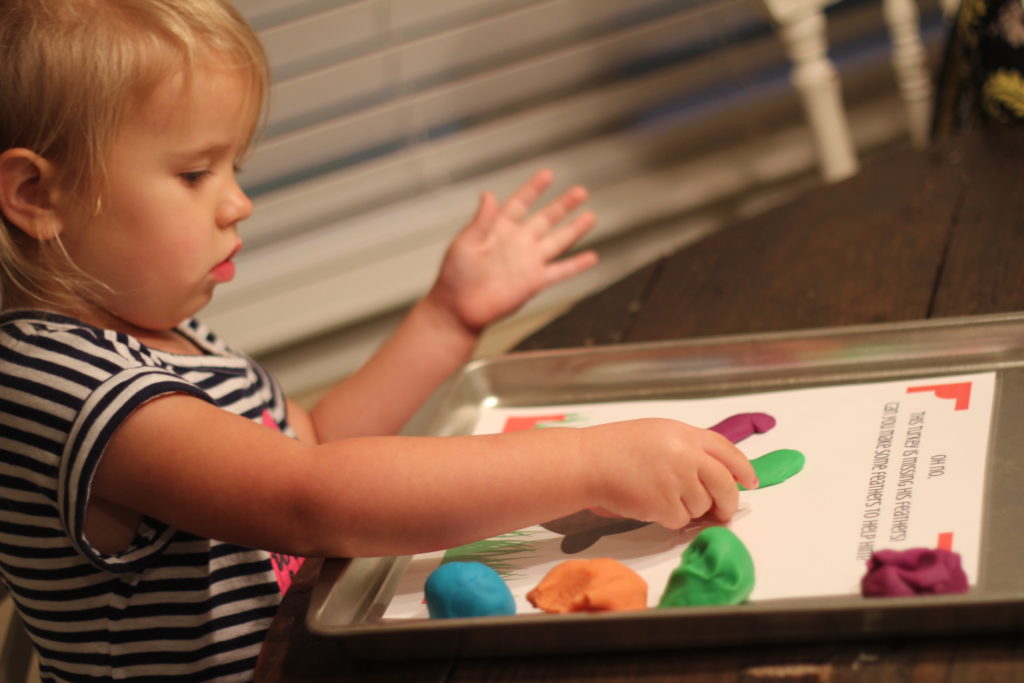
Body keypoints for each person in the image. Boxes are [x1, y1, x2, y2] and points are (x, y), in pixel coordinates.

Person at [0, 0, 757, 680]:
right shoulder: (56, 381)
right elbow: (311, 496)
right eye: (197, 172)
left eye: (235, 165)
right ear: (39, 195)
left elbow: (313, 441)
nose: (239, 201)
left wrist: (449, 316)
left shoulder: (158, 334)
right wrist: (590, 462)